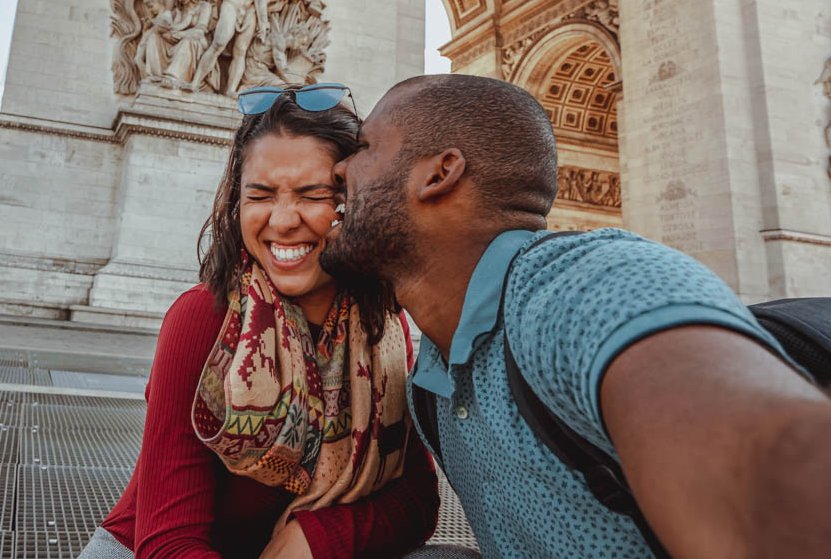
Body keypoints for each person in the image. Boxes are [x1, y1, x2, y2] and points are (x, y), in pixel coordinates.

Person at [320, 74, 831, 558]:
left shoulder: (593, 287)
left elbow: (777, 471)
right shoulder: (429, 381)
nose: (338, 170)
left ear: (438, 173)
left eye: (364, 148)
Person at [80, 84, 441, 559]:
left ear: (354, 201)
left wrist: (317, 538)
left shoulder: (383, 328)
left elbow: (416, 501)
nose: (283, 219)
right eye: (261, 195)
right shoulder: (200, 318)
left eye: (313, 194)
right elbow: (169, 541)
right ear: (237, 203)